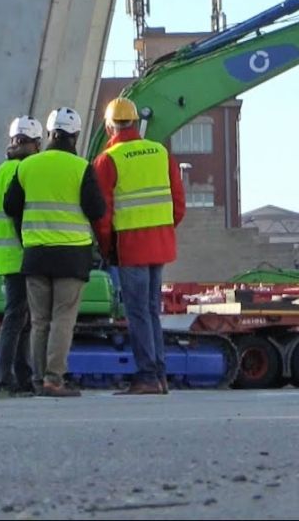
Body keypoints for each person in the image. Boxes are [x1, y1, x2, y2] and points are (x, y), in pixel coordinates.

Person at [4, 107, 106, 397]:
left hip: (36, 255)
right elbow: (97, 210)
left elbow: (11, 206)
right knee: (63, 318)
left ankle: (38, 380)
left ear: (49, 134)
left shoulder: (27, 167)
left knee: (39, 321)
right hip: (72, 256)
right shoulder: (81, 167)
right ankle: (54, 379)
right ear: (74, 136)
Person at [93, 97, 186, 396]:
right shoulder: (160, 152)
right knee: (151, 311)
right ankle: (158, 376)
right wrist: (161, 229)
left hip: (130, 247)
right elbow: (179, 205)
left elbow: (102, 215)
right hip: (159, 244)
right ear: (134, 123)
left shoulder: (109, 160)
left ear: (110, 126)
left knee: (138, 313)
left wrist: (106, 248)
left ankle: (148, 376)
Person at [0, 116, 42, 394]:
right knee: (16, 319)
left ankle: (19, 375)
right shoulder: (23, 171)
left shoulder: (0, 172)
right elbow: (21, 215)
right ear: (33, 144)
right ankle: (7, 378)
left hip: (4, 255)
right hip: (21, 255)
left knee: (20, 319)